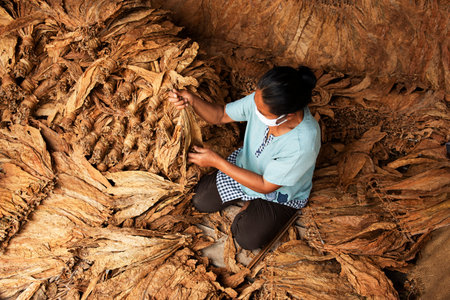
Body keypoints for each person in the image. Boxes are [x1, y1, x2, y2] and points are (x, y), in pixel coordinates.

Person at [168, 66, 321, 250]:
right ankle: (248, 199)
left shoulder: (303, 143)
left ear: (287, 115)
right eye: (255, 104)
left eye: (262, 113)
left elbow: (265, 186)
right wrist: (192, 100)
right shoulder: (263, 99)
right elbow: (220, 114)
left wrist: (217, 162)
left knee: (247, 238)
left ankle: (253, 205)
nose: (255, 110)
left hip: (279, 194)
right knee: (200, 200)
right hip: (246, 166)